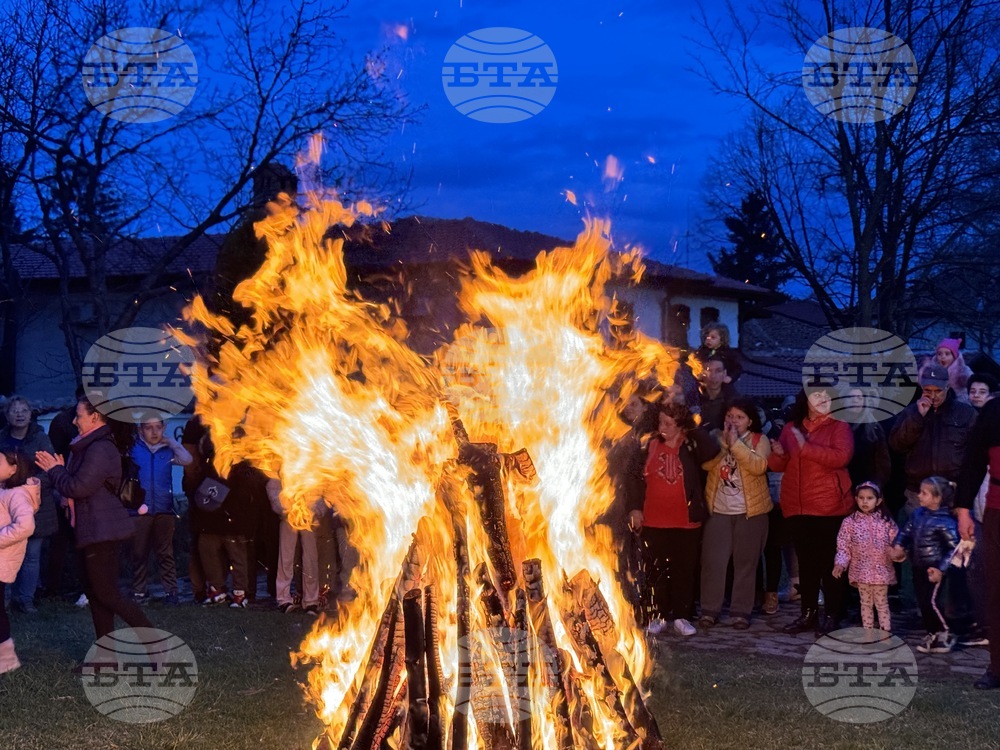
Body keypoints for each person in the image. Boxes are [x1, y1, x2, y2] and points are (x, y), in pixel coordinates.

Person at [34, 397, 153, 647]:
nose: (75, 421)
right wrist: (60, 478)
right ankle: (106, 659)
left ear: (95, 417)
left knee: (108, 594)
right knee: (97, 595)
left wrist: (55, 470)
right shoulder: (86, 446)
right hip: (90, 530)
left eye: (79, 416)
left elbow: (78, 487)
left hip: (102, 532)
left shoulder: (99, 448)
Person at [629, 402, 720, 637]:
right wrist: (635, 508)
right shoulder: (648, 445)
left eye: (669, 423)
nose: (663, 427)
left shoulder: (691, 444)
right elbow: (634, 479)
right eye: (661, 422)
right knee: (656, 570)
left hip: (685, 521)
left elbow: (712, 452)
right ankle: (658, 615)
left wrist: (692, 428)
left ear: (681, 425)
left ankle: (682, 616)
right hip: (654, 520)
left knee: (684, 570)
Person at [769, 387, 854, 635]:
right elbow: (778, 465)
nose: (823, 401)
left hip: (829, 506)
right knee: (805, 564)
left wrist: (806, 448)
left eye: (827, 397)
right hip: (798, 505)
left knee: (830, 564)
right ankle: (808, 614)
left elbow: (841, 457)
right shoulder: (792, 427)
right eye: (818, 396)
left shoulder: (839, 426)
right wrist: (778, 455)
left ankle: (832, 614)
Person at [698, 398, 771, 629]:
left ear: (750, 421)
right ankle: (710, 610)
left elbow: (759, 467)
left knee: (745, 563)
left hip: (751, 513)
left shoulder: (760, 440)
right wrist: (725, 446)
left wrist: (737, 445)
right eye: (730, 416)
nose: (734, 421)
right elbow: (705, 465)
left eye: (739, 417)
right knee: (713, 562)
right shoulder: (715, 437)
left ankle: (740, 612)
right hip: (719, 510)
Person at [892, 476, 973, 654]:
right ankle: (932, 632)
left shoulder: (945, 521)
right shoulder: (917, 514)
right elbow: (906, 531)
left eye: (924, 493)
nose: (919, 496)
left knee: (933, 602)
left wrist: (941, 569)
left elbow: (953, 550)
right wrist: (899, 545)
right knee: (923, 602)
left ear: (937, 498)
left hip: (934, 569)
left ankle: (945, 633)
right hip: (918, 565)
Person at [889, 363, 977, 514]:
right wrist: (918, 417)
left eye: (938, 391)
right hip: (918, 492)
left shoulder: (966, 413)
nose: (933, 396)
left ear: (947, 387)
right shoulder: (910, 413)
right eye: (928, 390)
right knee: (919, 536)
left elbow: (977, 453)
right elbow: (897, 445)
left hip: (953, 493)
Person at [956, 397, 1000, 688]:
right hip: (998, 510)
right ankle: (998, 666)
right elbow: (973, 461)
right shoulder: (994, 411)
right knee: (996, 590)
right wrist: (962, 510)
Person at [0, 397, 56, 613]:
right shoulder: (2, 439)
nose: (20, 414)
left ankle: (26, 599)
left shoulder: (40, 439)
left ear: (31, 414)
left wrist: (28, 484)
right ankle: (5, 597)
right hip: (5, 505)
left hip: (35, 504)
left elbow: (50, 471)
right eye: (15, 411)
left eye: (24, 410)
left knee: (32, 555)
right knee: (5, 552)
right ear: (7, 415)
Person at [129, 417, 192, 605]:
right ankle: (139, 591)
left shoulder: (167, 450)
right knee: (139, 552)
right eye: (149, 428)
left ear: (164, 428)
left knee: (165, 552)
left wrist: (172, 442)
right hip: (140, 510)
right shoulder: (134, 449)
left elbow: (187, 460)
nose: (154, 432)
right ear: (141, 430)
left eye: (158, 427)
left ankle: (171, 592)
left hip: (164, 508)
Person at [832, 482, 898, 632]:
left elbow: (897, 542)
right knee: (865, 604)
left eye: (869, 498)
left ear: (878, 501)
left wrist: (897, 553)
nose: (865, 502)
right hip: (861, 572)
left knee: (882, 603)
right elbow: (843, 546)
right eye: (861, 498)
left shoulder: (886, 522)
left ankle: (885, 634)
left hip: (881, 572)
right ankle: (868, 633)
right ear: (856, 499)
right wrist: (840, 564)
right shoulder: (849, 522)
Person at [0, 450, 41, 673]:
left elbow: (26, 526)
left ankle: (7, 660)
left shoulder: (16, 495)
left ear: (14, 468)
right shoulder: (4, 491)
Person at [266, 478, 322, 615]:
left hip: (309, 518)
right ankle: (283, 598)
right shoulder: (284, 463)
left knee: (311, 559)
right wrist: (287, 510)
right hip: (288, 517)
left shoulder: (314, 466)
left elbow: (322, 491)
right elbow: (273, 486)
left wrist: (315, 512)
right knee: (286, 557)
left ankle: (311, 601)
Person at [843, 388, 891, 491]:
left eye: (859, 398)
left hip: (865, 489)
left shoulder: (873, 428)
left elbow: (882, 465)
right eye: (850, 397)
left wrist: (874, 487)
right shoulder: (835, 426)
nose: (855, 400)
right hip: (840, 487)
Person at [698, 356, 738, 433]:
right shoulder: (693, 397)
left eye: (718, 371)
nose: (713, 376)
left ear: (724, 373)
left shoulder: (733, 400)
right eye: (708, 370)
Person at [933, 338, 973, 402]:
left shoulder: (962, 369)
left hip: (960, 402)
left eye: (947, 354)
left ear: (954, 356)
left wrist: (964, 378)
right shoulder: (933, 370)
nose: (943, 357)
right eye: (939, 354)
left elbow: (972, 382)